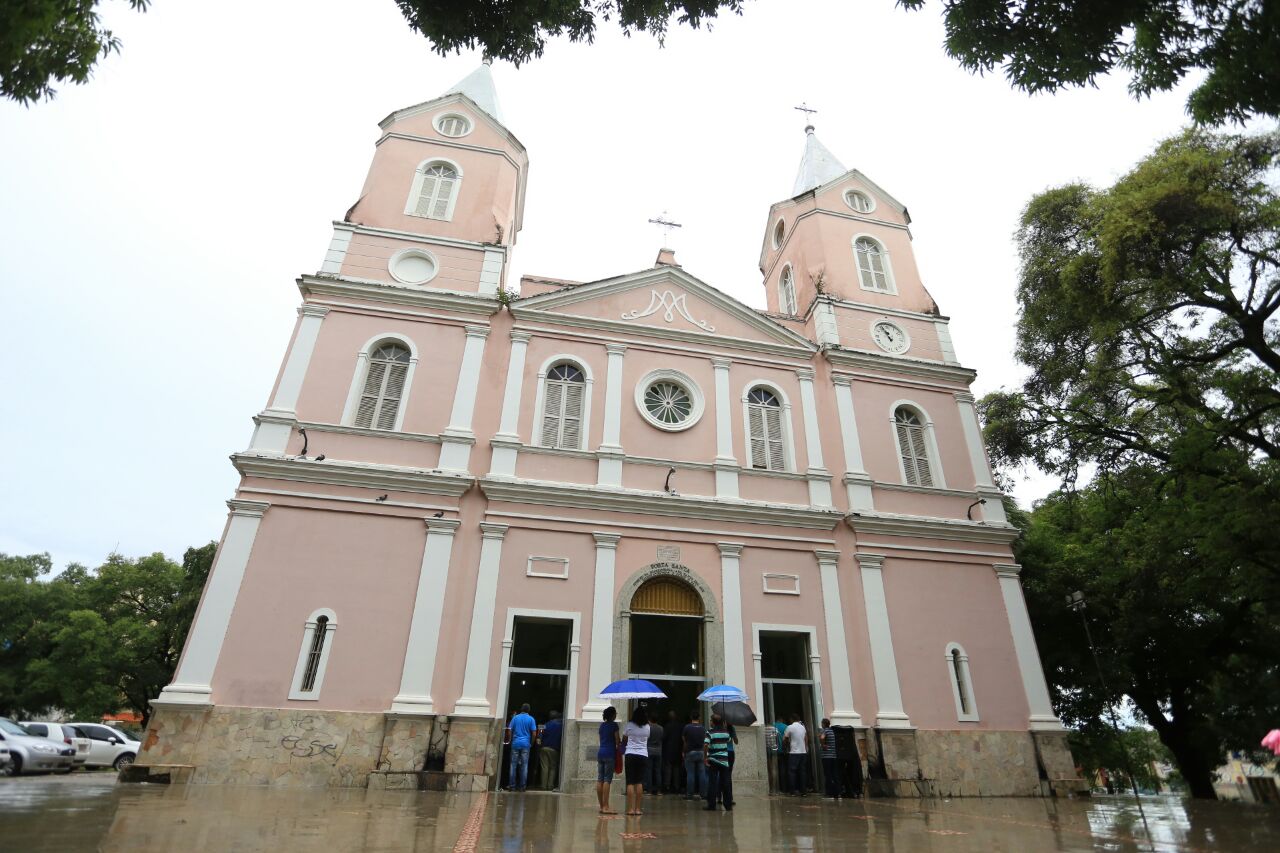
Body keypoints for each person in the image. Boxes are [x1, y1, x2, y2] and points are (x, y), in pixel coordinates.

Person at [622, 705, 651, 816]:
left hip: (630, 754)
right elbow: (646, 738)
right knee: (639, 782)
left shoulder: (629, 725)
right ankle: (638, 809)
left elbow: (624, 738)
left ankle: (630, 809)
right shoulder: (647, 727)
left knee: (630, 782)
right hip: (643, 754)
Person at [702, 713, 733, 811]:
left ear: (714, 722)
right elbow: (729, 740)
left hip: (713, 760)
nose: (710, 722)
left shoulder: (709, 732)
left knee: (713, 783)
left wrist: (705, 757)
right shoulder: (726, 732)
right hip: (724, 761)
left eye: (711, 720)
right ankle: (728, 805)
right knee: (726, 783)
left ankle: (711, 805)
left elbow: (706, 744)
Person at [507, 704, 537, 792]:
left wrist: (511, 740)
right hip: (526, 744)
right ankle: (522, 786)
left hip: (515, 743)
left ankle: (512, 786)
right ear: (529, 710)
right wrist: (531, 743)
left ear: (521, 709)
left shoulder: (515, 718)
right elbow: (534, 734)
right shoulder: (531, 719)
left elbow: (509, 730)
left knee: (513, 765)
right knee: (524, 765)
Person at [596, 707, 620, 815]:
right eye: (615, 713)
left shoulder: (602, 726)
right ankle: (606, 806)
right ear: (612, 715)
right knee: (607, 780)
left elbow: (601, 740)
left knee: (600, 779)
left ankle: (601, 806)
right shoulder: (614, 725)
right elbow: (617, 740)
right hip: (610, 754)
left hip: (601, 752)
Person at [681, 710, 706, 799]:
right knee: (702, 773)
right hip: (700, 752)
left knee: (690, 773)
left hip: (690, 752)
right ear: (699, 718)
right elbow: (705, 741)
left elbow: (684, 740)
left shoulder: (687, 727)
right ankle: (703, 794)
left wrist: (683, 751)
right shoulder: (703, 728)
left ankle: (689, 794)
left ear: (691, 718)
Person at [784, 713, 809, 795]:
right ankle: (804, 791)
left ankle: (792, 791)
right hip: (803, 752)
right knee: (802, 772)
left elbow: (785, 738)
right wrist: (805, 748)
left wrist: (786, 746)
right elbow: (806, 738)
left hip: (794, 752)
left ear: (791, 719)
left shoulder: (790, 727)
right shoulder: (803, 727)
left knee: (792, 772)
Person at [539, 710, 562, 790]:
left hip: (544, 748)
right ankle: (550, 786)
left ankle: (543, 786)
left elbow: (539, 736)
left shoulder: (544, 725)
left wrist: (540, 745)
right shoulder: (560, 725)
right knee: (553, 767)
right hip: (554, 749)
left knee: (544, 767)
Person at [662, 710, 684, 793]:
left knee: (668, 768)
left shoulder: (667, 726)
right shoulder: (680, 726)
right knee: (676, 769)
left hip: (668, 750)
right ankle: (676, 786)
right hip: (678, 750)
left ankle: (667, 786)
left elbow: (664, 738)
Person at [819, 718, 839, 798]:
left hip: (826, 757)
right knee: (834, 774)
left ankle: (829, 792)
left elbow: (822, 738)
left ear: (823, 724)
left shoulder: (825, 731)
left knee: (828, 774)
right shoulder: (832, 731)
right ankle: (836, 791)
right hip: (833, 756)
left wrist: (823, 745)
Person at [645, 714, 664, 795]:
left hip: (649, 750)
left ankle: (649, 790)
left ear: (650, 719)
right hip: (658, 751)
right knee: (657, 771)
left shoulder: (648, 728)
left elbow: (646, 738)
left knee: (649, 770)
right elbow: (662, 738)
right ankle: (659, 790)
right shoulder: (661, 728)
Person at [773, 717, 790, 793]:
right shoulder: (786, 726)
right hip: (784, 751)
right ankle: (785, 788)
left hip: (774, 751)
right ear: (782, 720)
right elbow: (788, 739)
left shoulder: (773, 725)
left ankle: (775, 787)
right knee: (784, 769)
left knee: (775, 769)